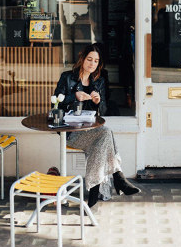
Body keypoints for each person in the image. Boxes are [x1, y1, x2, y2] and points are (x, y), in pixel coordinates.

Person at [53, 43, 140, 207]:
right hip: (70, 132)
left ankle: (97, 187)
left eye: (96, 61)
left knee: (103, 137)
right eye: (89, 59)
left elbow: (103, 111)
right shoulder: (67, 77)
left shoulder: (98, 81)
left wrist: (98, 102)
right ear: (82, 59)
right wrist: (73, 97)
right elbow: (55, 103)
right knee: (106, 133)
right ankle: (117, 178)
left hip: (92, 131)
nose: (92, 64)